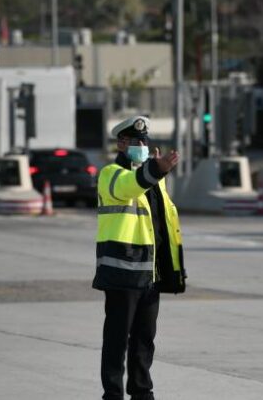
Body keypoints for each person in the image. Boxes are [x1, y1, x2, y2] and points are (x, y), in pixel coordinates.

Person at [93, 115, 186, 400]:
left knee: (145, 339)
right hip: (122, 272)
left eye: (144, 141)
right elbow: (129, 186)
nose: (141, 145)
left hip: (150, 273)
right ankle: (112, 393)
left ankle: (142, 392)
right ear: (121, 143)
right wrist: (154, 171)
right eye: (135, 141)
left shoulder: (154, 179)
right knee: (117, 339)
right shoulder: (111, 174)